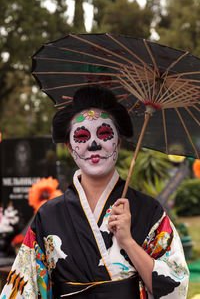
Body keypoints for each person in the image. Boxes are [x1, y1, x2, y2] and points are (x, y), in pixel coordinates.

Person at [1, 86, 189, 299]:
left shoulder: (149, 212)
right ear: (70, 148)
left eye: (105, 133)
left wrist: (127, 241)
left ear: (118, 142)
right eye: (81, 136)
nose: (93, 144)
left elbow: (176, 289)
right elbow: (23, 290)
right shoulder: (49, 215)